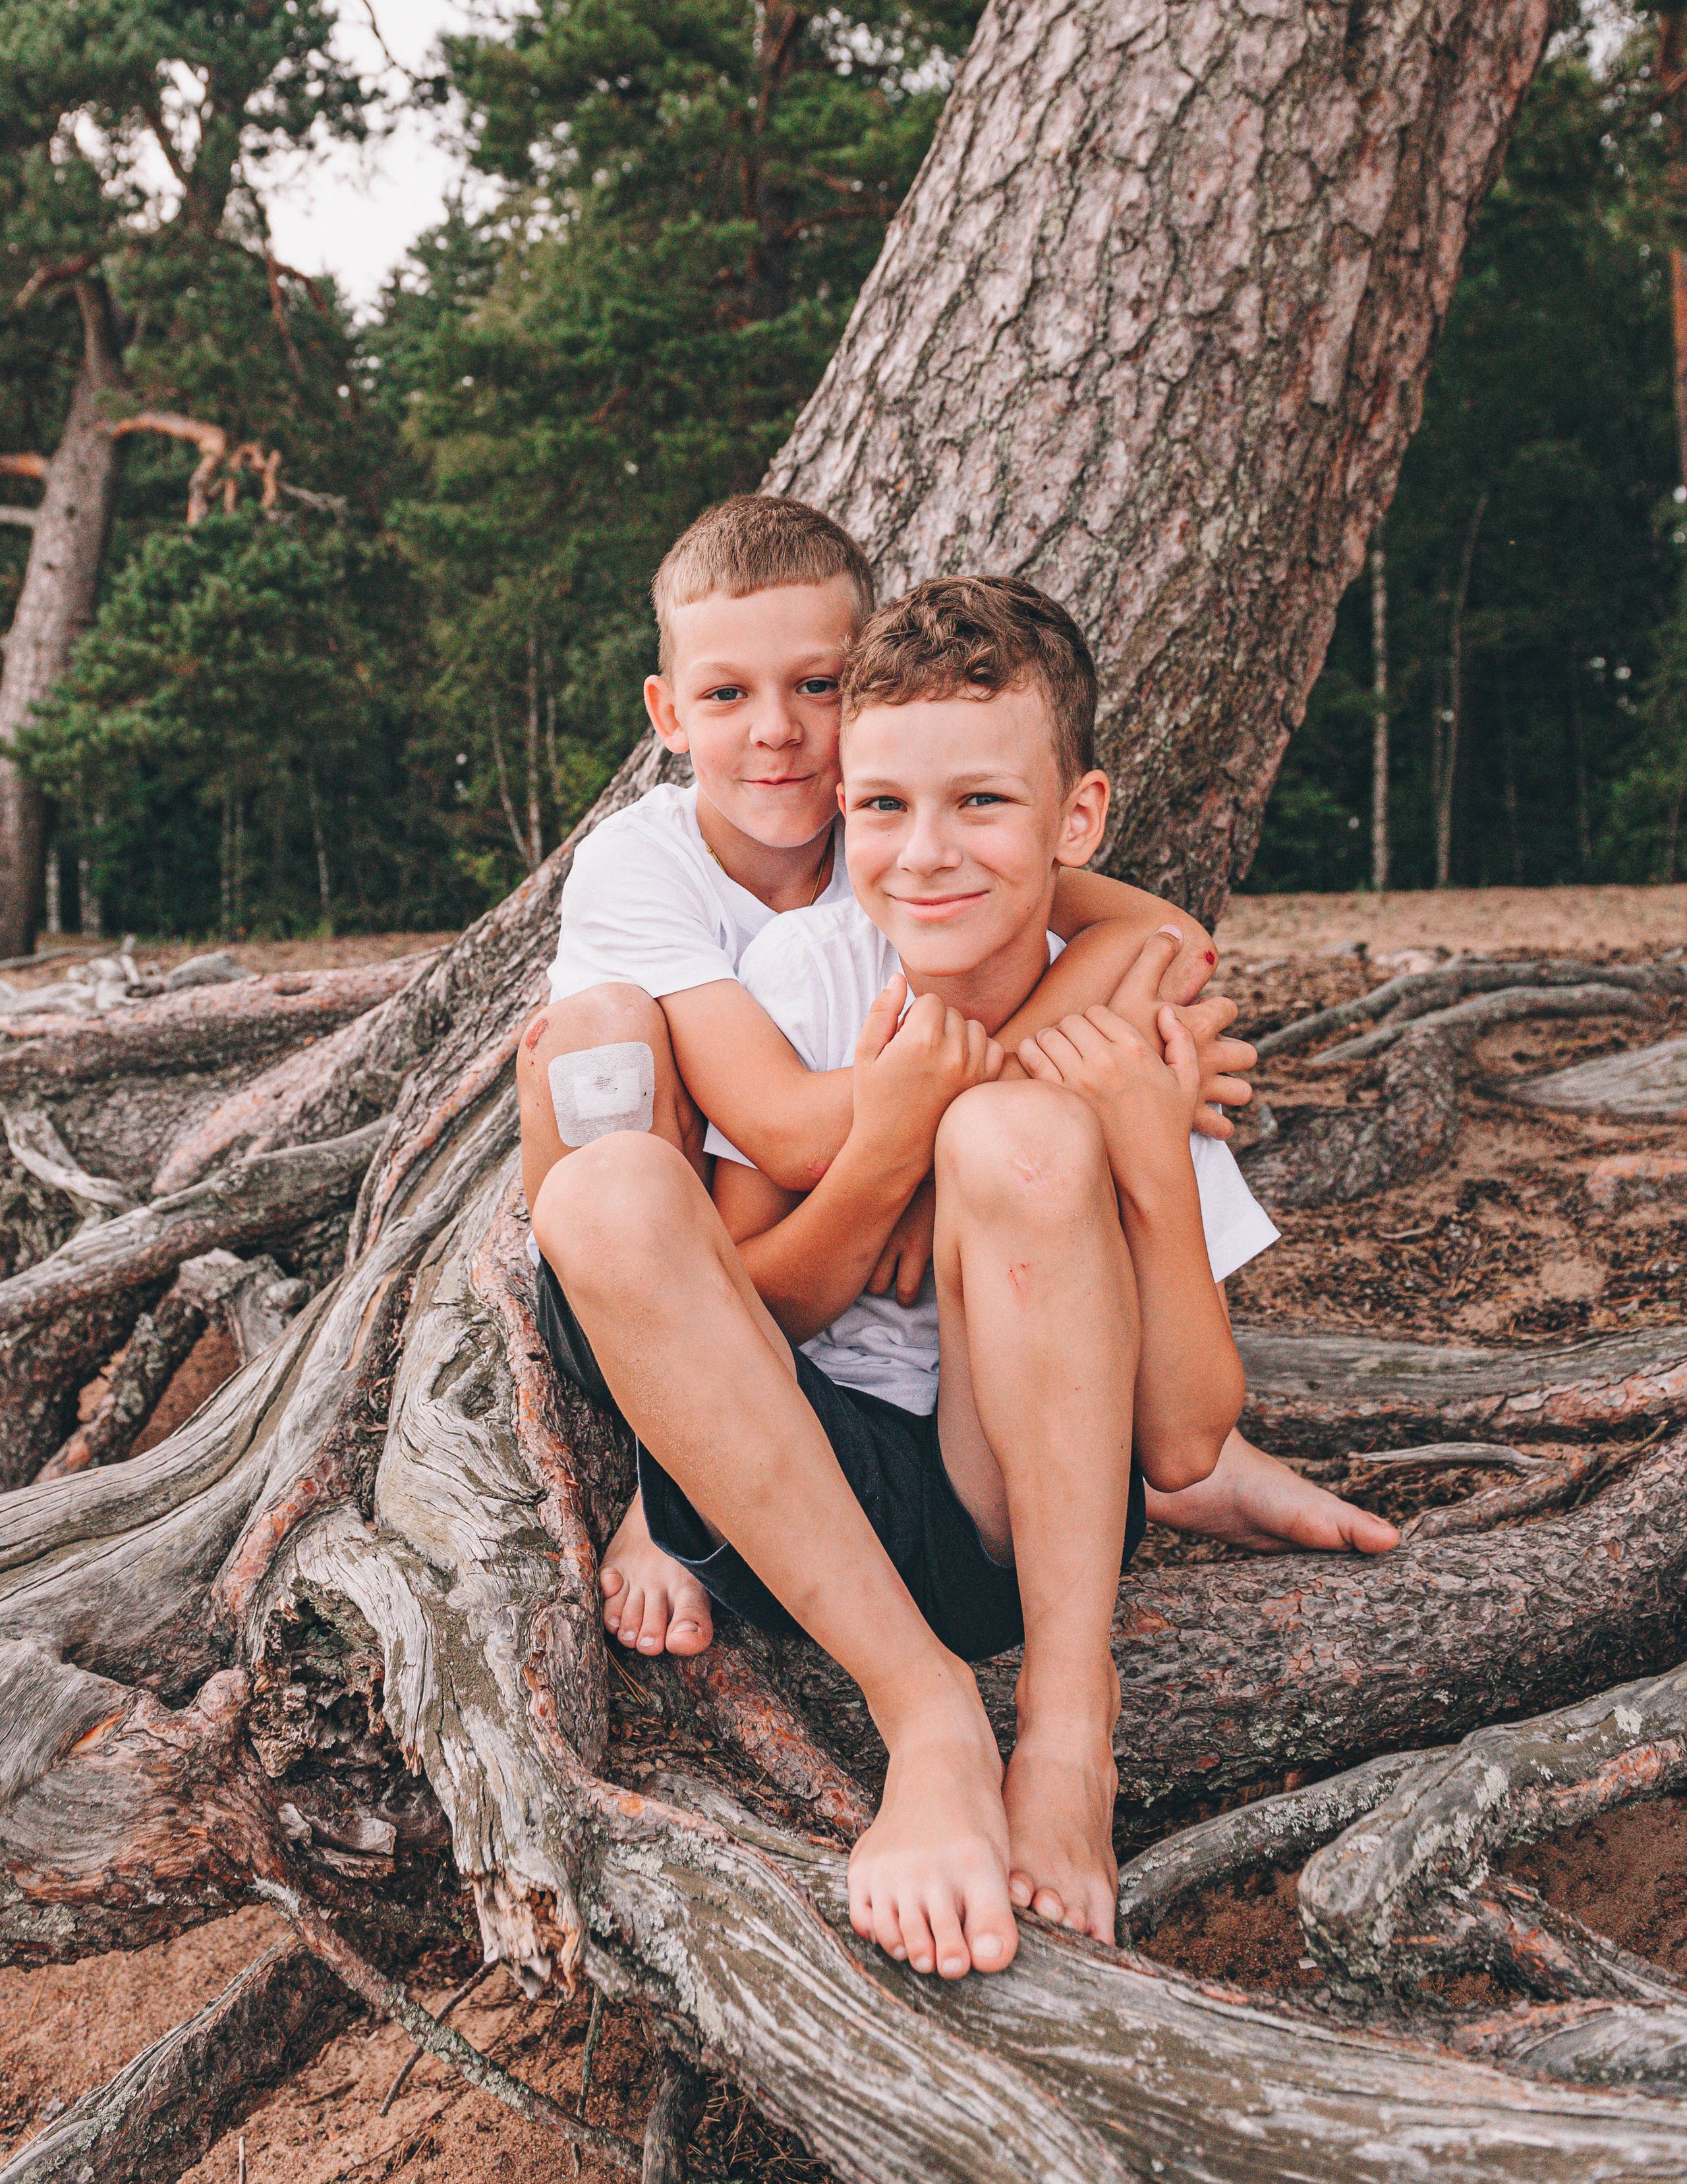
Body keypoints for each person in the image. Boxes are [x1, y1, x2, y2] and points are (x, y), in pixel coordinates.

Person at [529, 573, 1388, 1984]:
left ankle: (1063, 1724)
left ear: (1077, 818)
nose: (923, 856)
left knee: (1018, 1133)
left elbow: (1177, 1435)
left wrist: (1149, 1158)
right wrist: (888, 1147)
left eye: (979, 804)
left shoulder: (1126, 1015)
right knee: (610, 1190)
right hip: (788, 1500)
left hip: (1006, 1522)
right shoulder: (804, 971)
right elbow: (738, 1294)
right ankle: (926, 1717)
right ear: (844, 811)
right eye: (880, 808)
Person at [515, 494, 1311, 1655]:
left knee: (1039, 1191)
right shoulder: (649, 865)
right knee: (601, 1031)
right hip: (666, 1253)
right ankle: (659, 1475)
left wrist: (1086, 1093)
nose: (778, 730)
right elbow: (789, 1133)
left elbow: (1165, 942)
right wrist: (922, 1146)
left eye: (819, 686)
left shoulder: (903, 844)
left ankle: (1179, 1479)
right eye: (728, 693)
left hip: (917, 1324)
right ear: (669, 712)